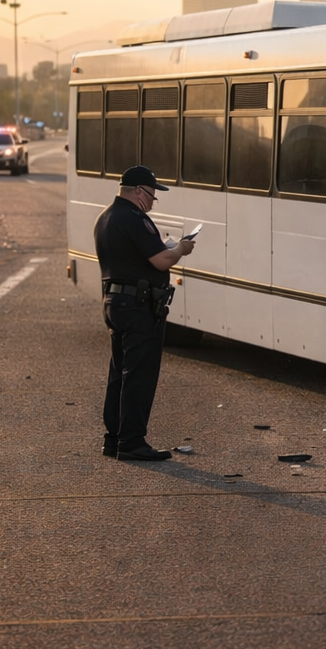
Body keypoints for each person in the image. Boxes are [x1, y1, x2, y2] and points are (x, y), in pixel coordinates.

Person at [94, 166, 195, 462]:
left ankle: (113, 439)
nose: (152, 202)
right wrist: (181, 249)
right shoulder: (135, 218)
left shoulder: (106, 217)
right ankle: (132, 442)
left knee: (120, 373)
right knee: (139, 374)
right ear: (139, 191)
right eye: (152, 195)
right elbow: (161, 260)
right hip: (138, 308)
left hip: (115, 303)